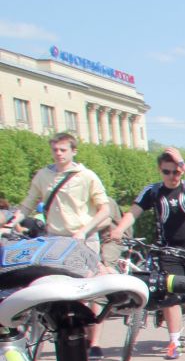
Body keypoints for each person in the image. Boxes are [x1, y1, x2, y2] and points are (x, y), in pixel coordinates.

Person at [109, 147, 185, 356]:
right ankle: (174, 341)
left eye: (176, 171)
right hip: (169, 249)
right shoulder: (153, 191)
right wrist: (119, 229)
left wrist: (182, 162)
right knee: (171, 295)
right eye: (167, 171)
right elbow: (134, 212)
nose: (172, 176)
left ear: (182, 172)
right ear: (160, 170)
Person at [22, 133, 117, 349]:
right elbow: (27, 204)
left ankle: (95, 342)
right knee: (60, 291)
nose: (58, 153)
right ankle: (71, 334)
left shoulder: (86, 176)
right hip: (56, 240)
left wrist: (84, 230)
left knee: (90, 290)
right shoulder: (43, 176)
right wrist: (11, 221)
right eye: (55, 149)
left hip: (83, 239)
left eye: (63, 150)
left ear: (73, 151)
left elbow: (105, 210)